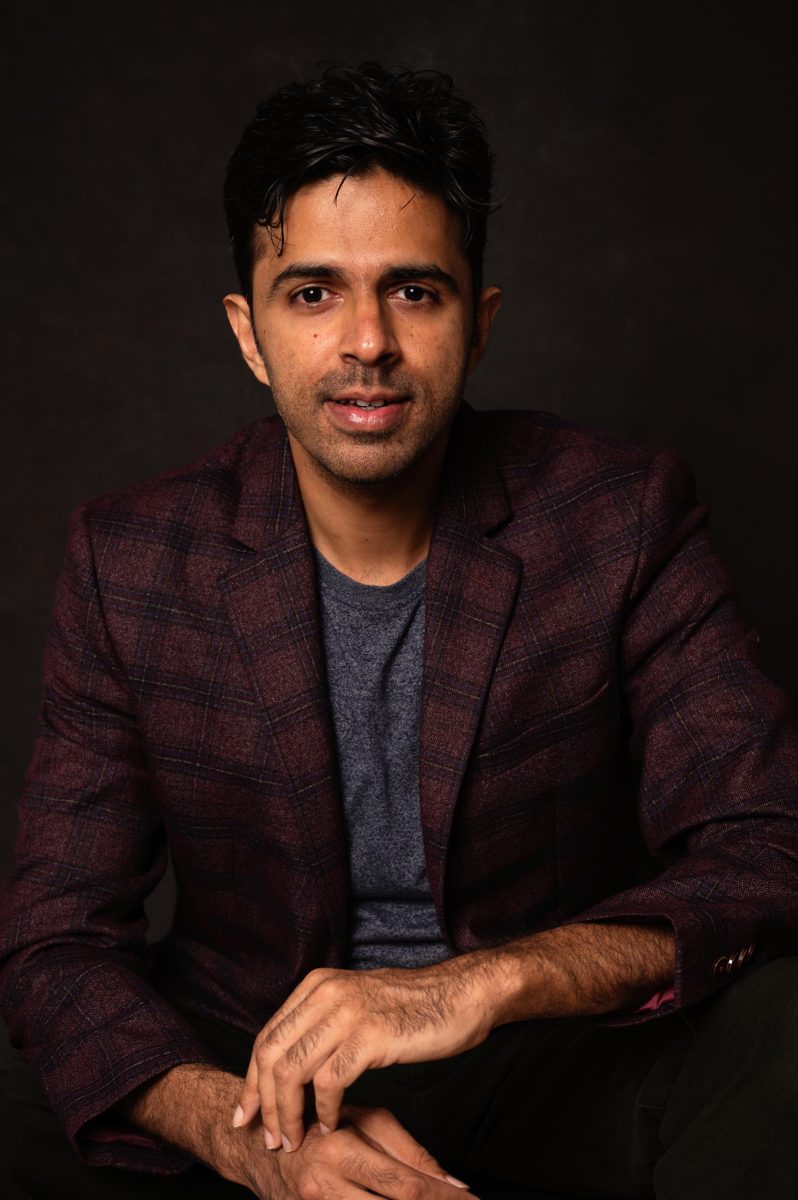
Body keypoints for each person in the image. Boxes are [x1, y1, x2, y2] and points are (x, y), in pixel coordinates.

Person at [1, 62, 797, 1200]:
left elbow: (767, 846)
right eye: (312, 293)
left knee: (784, 1027)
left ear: (479, 323)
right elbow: (57, 942)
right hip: (249, 1061)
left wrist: (479, 985)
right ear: (248, 332)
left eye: (414, 291)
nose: (367, 341)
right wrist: (245, 1140)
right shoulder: (131, 560)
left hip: (542, 1058)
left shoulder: (620, 516)